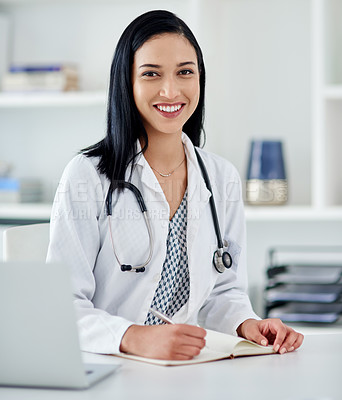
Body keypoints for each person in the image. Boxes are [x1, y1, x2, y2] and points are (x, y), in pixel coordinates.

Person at [47, 10, 303, 360]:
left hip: (183, 369)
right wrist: (134, 337)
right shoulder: (87, 175)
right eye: (151, 74)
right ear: (127, 83)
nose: (171, 90)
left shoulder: (221, 177)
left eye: (185, 72)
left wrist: (246, 323)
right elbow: (62, 307)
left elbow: (222, 292)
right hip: (103, 367)